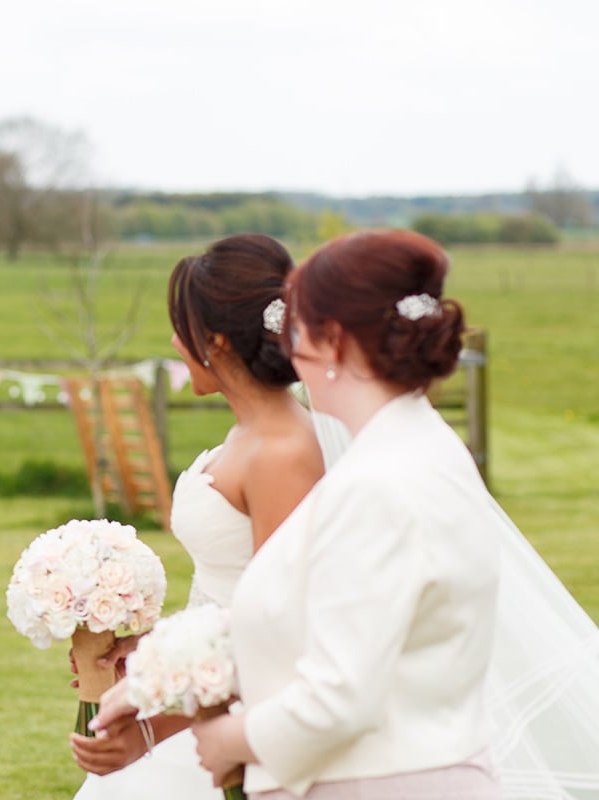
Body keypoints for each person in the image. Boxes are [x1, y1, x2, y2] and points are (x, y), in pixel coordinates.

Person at [188, 228, 503, 797]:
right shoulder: (425, 445)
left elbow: (338, 698)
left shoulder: (377, 485)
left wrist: (229, 740)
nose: (286, 352)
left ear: (331, 343)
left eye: (297, 330)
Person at [70, 234, 326, 798]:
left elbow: (280, 631)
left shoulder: (283, 454)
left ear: (214, 341)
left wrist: (151, 729)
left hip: (245, 716)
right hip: (206, 693)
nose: (171, 341)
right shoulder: (248, 434)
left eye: (180, 327)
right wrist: (156, 649)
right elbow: (230, 600)